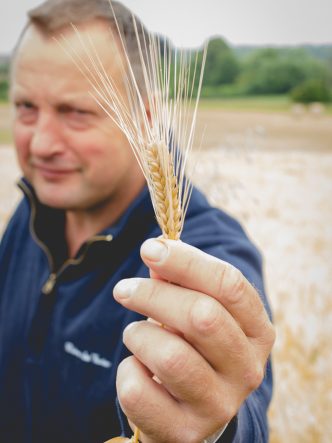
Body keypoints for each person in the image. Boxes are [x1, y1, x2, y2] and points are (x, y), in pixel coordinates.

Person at [0, 0, 275, 442]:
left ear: (146, 116)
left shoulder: (204, 254)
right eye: (26, 107)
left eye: (76, 112)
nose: (41, 143)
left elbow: (239, 410)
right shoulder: (31, 214)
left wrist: (215, 428)